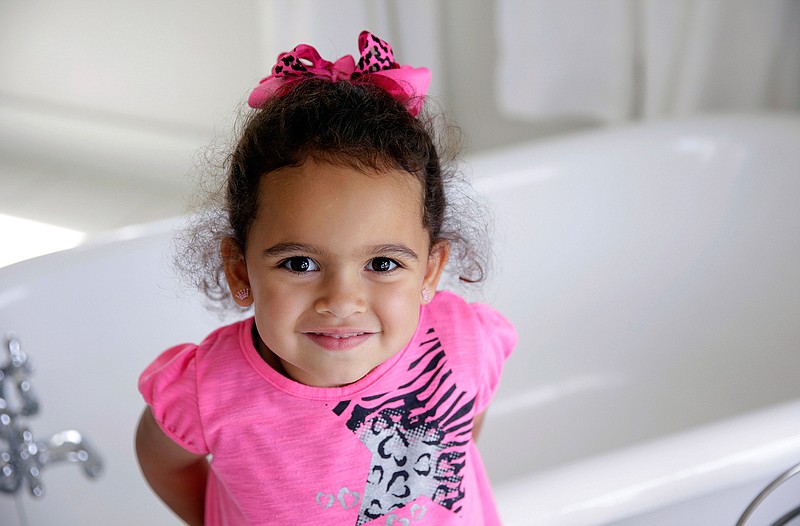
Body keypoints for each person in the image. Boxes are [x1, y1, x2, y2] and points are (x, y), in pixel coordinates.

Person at [135, 31, 516, 526]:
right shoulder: (208, 392)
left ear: (430, 271)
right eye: (299, 263)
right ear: (239, 271)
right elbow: (162, 463)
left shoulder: (464, 343)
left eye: (382, 264)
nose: (341, 301)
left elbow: (463, 429)